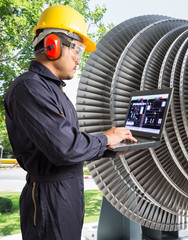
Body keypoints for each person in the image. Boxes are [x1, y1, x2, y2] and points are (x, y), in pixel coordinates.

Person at [4, 5, 136, 240]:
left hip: (65, 195)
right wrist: (106, 138)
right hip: (48, 201)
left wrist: (110, 148)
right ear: (52, 45)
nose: (79, 59)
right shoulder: (30, 88)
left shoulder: (52, 91)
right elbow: (65, 148)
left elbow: (68, 144)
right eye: (77, 49)